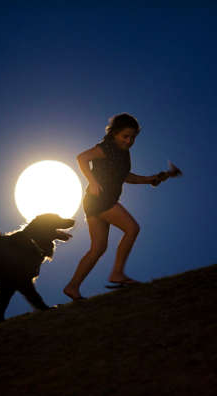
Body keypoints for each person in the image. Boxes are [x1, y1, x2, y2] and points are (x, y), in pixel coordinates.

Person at [63, 113, 167, 301]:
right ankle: (117, 274)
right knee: (132, 228)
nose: (129, 141)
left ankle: (72, 287)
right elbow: (82, 158)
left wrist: (150, 179)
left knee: (98, 248)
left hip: (95, 202)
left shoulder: (123, 154)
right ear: (114, 134)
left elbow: (126, 176)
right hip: (101, 200)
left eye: (133, 137)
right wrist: (92, 181)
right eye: (125, 136)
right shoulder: (106, 148)